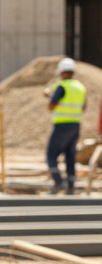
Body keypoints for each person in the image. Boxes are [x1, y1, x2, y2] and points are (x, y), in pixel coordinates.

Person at [45, 57, 85, 194]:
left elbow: (52, 105)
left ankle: (58, 181)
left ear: (61, 72)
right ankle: (71, 184)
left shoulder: (61, 86)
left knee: (51, 154)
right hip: (76, 125)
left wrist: (49, 96)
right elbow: (83, 107)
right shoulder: (80, 87)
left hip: (61, 125)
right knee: (70, 155)